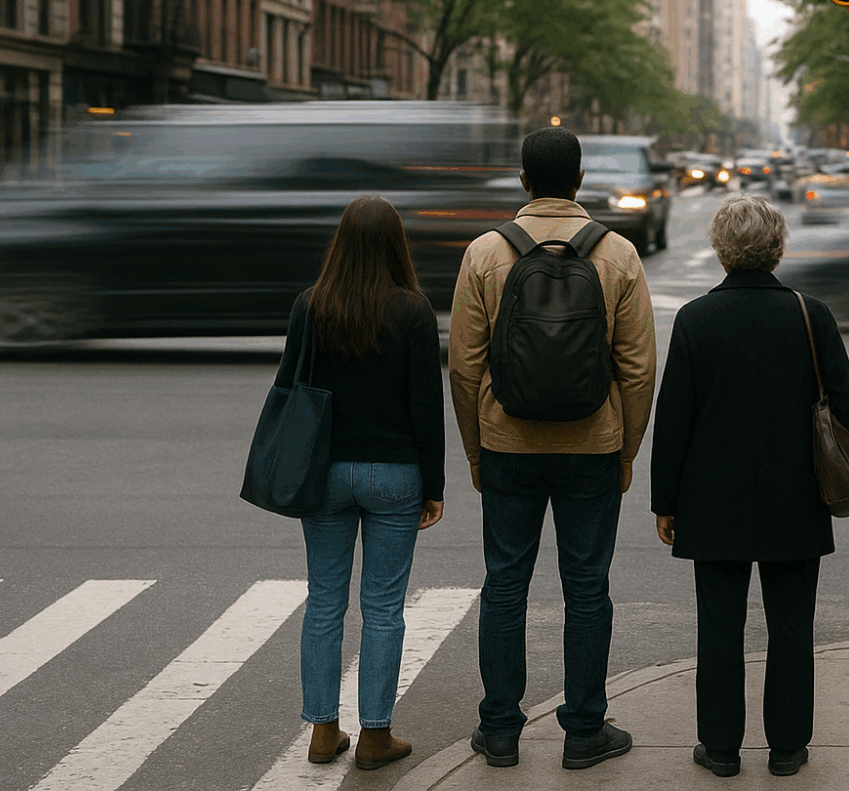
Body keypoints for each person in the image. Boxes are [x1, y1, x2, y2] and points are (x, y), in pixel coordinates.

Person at [448, 126, 656, 771]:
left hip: (508, 441)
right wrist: (625, 451)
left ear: (523, 181)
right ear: (581, 182)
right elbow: (639, 368)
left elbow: (463, 365)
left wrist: (477, 451)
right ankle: (584, 731)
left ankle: (502, 729)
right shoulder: (616, 253)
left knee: (505, 583)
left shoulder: (486, 252)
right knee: (587, 588)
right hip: (592, 444)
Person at [651, 194, 849, 779]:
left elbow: (673, 420)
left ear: (721, 248)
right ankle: (788, 747)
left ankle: (720, 747)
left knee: (718, 626)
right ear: (777, 247)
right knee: (792, 625)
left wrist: (665, 503)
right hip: (796, 496)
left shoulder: (695, 318)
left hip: (710, 499)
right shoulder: (810, 313)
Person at [278, 194, 445, 771]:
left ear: (341, 243)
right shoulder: (413, 309)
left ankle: (324, 732)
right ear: (397, 244)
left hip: (324, 471)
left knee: (324, 601)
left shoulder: (310, 305)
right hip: (396, 473)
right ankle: (375, 736)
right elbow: (426, 403)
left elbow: (287, 386)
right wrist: (435, 483)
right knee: (383, 608)